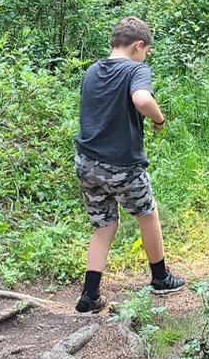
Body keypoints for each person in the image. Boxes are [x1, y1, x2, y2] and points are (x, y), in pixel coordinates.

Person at [73, 17, 184, 314]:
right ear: (138, 46)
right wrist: (159, 120)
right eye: (145, 50)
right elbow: (142, 99)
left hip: (86, 162)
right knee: (147, 214)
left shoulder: (92, 71)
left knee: (104, 224)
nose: (145, 55)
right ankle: (161, 277)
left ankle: (89, 296)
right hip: (122, 165)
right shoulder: (136, 69)